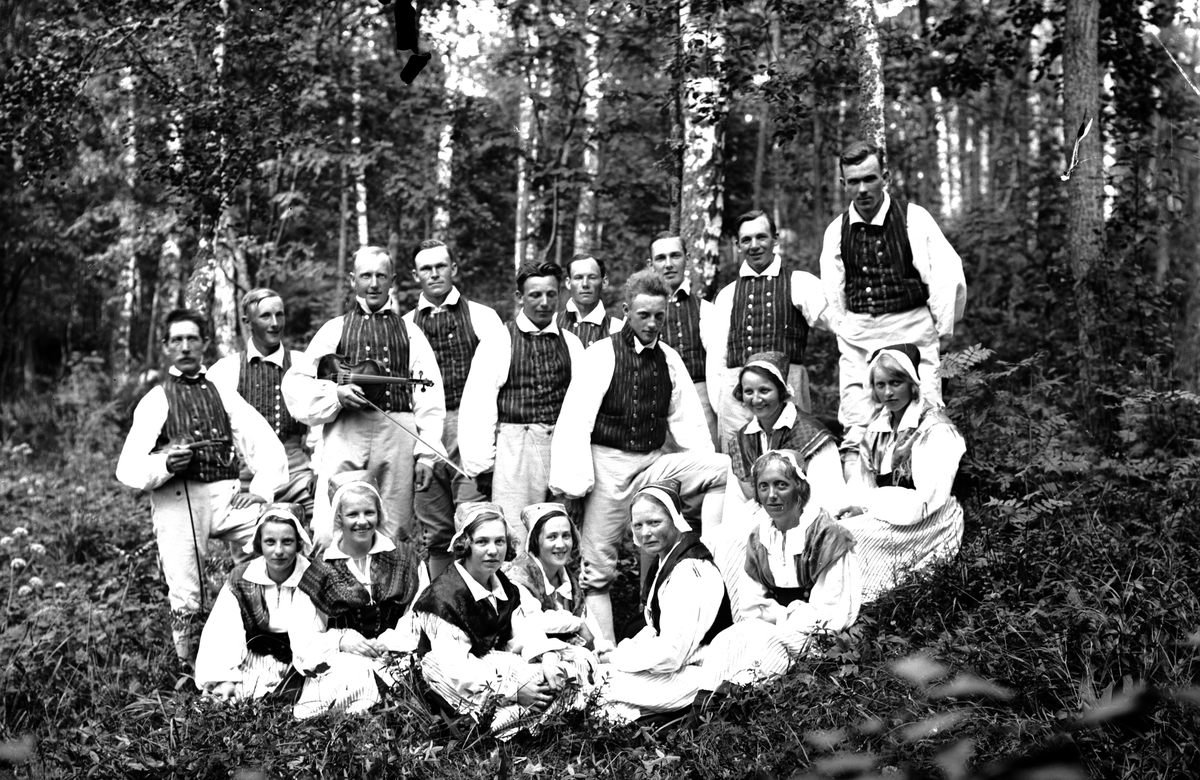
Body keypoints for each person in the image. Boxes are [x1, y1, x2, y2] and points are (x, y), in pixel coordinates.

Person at [549, 269, 729, 644]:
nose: (651, 323)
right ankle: (605, 652)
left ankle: (710, 557)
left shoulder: (669, 359)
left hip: (653, 464)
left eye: (659, 316)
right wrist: (575, 486)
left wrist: (690, 481)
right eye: (643, 315)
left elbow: (689, 423)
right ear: (627, 311)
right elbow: (576, 421)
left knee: (720, 469)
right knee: (597, 569)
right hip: (606, 469)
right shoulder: (601, 354)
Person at [116, 308, 288, 665]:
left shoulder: (223, 393)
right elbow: (128, 467)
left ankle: (273, 640)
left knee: (278, 532)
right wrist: (165, 464)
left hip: (227, 496)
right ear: (166, 346)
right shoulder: (157, 399)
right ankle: (190, 667)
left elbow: (262, 440)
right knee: (186, 591)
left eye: (192, 339)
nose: (185, 347)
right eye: (177, 340)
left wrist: (262, 489)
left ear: (205, 343)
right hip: (178, 499)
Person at [282, 245, 447, 548]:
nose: (373, 284)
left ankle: (388, 578)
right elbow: (296, 384)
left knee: (394, 525)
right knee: (329, 522)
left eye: (381, 276)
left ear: (392, 280)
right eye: (365, 276)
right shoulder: (334, 328)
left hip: (397, 433)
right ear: (352, 280)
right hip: (345, 431)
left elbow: (430, 398)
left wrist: (426, 455)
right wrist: (335, 394)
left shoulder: (410, 331)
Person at [818, 141, 966, 476]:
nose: (862, 189)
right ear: (843, 184)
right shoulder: (836, 231)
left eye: (869, 178)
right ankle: (860, 497)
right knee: (858, 421)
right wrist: (847, 327)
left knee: (925, 415)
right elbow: (833, 290)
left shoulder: (914, 219)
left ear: (885, 177)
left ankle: (927, 496)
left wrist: (939, 329)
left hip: (912, 330)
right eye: (854, 181)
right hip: (860, 337)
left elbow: (945, 275)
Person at [414, 503, 595, 736]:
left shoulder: (503, 585)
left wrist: (547, 658)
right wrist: (515, 690)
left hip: (492, 660)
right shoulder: (444, 596)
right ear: (465, 544)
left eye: (499, 541)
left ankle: (542, 714)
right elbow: (457, 669)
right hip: (450, 672)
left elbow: (524, 630)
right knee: (534, 688)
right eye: (482, 542)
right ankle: (507, 725)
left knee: (574, 662)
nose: (493, 550)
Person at [703, 451, 861, 687]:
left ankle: (738, 697)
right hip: (774, 626)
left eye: (781, 485)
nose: (772, 495)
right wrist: (775, 618)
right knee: (725, 639)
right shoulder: (759, 538)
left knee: (767, 644)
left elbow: (830, 611)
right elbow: (751, 606)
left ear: (799, 487)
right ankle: (707, 700)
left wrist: (780, 618)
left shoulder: (827, 535)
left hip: (817, 634)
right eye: (763, 486)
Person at [458, 261, 585, 553]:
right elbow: (478, 406)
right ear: (519, 297)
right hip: (515, 451)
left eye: (551, 294)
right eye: (535, 295)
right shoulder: (499, 341)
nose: (544, 303)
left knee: (557, 535)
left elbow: (581, 410)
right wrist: (483, 466)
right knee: (514, 535)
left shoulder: (572, 344)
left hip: (561, 449)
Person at [401, 239, 506, 577]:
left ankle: (481, 596)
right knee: (436, 528)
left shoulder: (483, 317)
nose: (434, 274)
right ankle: (441, 598)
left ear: (453, 269)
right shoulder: (404, 325)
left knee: (474, 519)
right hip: (426, 430)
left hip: (471, 426)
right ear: (415, 275)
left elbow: (500, 375)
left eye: (441, 266)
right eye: (426, 269)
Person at [289, 472, 429, 718]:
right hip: (343, 659)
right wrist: (341, 641)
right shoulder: (321, 570)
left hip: (396, 653)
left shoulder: (405, 558)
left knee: (416, 675)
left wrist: (391, 642)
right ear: (338, 517)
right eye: (352, 514)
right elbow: (303, 636)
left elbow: (420, 612)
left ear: (379, 514)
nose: (362, 522)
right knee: (350, 674)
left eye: (369, 513)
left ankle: (377, 706)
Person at [835, 344, 966, 601]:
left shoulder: (935, 428)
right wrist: (854, 506)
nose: (888, 392)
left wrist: (868, 508)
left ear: (911, 383)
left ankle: (857, 602)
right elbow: (864, 483)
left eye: (896, 383)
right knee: (832, 527)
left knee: (847, 537)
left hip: (928, 520)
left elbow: (929, 498)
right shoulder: (877, 428)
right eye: (881, 385)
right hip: (886, 511)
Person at [594, 482, 732, 720]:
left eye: (654, 522)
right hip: (679, 669)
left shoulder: (689, 571)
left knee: (599, 688)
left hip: (700, 675)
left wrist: (615, 658)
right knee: (600, 681)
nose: (645, 532)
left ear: (675, 520)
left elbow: (670, 654)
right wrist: (621, 651)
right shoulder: (665, 561)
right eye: (638, 525)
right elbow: (654, 630)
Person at [707, 210, 830, 448]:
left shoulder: (801, 283)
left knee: (791, 459)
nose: (754, 246)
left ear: (775, 239)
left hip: (789, 392)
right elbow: (716, 359)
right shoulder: (727, 295)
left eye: (761, 237)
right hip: (738, 398)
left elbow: (838, 322)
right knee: (739, 460)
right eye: (746, 240)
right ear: (737, 245)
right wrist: (722, 405)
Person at [208, 288, 316, 517]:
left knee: (325, 517)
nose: (275, 323)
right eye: (266, 316)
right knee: (235, 527)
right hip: (246, 473)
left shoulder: (302, 365)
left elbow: (321, 424)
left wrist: (319, 469)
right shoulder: (225, 370)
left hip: (296, 472)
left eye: (280, 315)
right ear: (247, 322)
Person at [195, 502, 314, 701]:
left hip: (301, 659)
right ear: (259, 543)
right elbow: (223, 629)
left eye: (287, 542)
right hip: (255, 659)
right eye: (270, 542)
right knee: (227, 696)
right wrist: (224, 676)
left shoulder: (313, 576)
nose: (278, 551)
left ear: (299, 542)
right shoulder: (243, 577)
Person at [647, 231, 719, 446]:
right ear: (651, 265)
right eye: (661, 258)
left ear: (687, 259)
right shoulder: (638, 314)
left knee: (707, 460)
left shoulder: (706, 310)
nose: (669, 264)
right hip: (655, 403)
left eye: (675, 256)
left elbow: (718, 366)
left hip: (701, 401)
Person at [502, 503, 605, 650]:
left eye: (566, 536)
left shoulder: (569, 583)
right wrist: (577, 624)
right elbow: (533, 624)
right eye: (552, 537)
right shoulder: (518, 578)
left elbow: (594, 635)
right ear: (536, 540)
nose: (561, 544)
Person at [556, 253, 624, 348]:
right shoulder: (552, 323)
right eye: (578, 278)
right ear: (568, 283)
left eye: (592, 277)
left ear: (604, 282)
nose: (585, 284)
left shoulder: (618, 329)